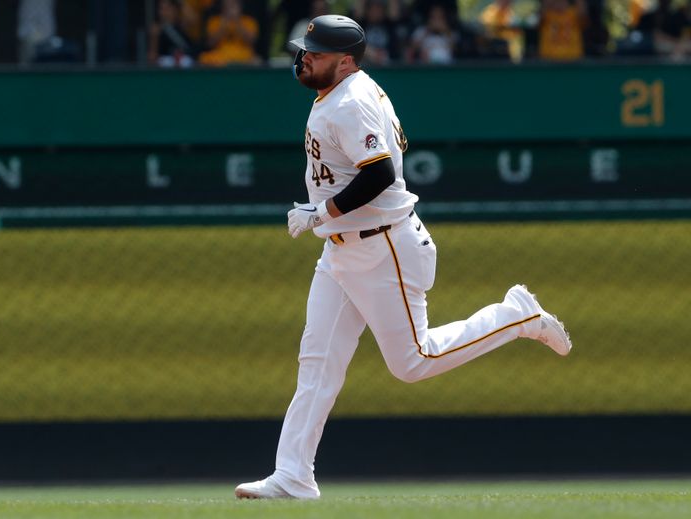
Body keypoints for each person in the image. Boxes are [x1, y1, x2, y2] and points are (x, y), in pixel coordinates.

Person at [234, 14, 572, 500]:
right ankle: (292, 475)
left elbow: (381, 176)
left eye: (317, 52)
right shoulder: (341, 92)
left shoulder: (349, 103)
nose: (304, 57)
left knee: (414, 362)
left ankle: (517, 315)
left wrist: (319, 211)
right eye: (305, 49)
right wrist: (326, 218)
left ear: (346, 61)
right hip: (342, 250)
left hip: (382, 245)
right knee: (318, 364)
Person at [197, 0, 260, 66]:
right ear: (222, 7)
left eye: (233, 5)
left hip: (244, 58)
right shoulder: (215, 21)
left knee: (256, 60)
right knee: (204, 58)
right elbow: (210, 43)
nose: (230, 8)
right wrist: (224, 24)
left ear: (240, 6)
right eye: (227, 5)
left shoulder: (249, 21)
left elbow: (252, 41)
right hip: (220, 59)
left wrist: (237, 21)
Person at [148, 0, 195, 67]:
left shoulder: (182, 25)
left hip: (185, 66)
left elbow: (193, 20)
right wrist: (154, 39)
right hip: (166, 68)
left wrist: (180, 2)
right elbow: (152, 59)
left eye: (167, 9)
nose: (163, 13)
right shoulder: (157, 29)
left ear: (175, 10)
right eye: (161, 9)